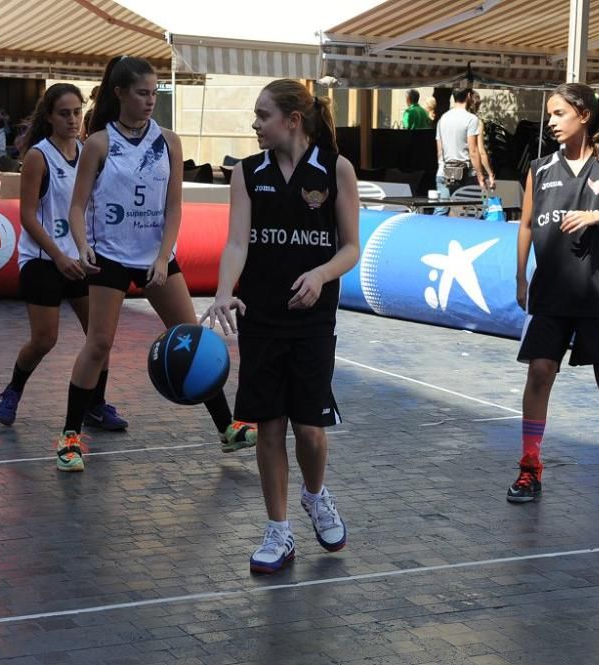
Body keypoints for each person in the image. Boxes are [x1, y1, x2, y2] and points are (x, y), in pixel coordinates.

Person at [55, 56, 256, 473]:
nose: (150, 101)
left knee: (195, 340)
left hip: (155, 258)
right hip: (108, 255)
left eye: (154, 93)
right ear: (120, 94)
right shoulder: (99, 143)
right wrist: (81, 245)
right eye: (142, 93)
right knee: (100, 343)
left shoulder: (169, 141)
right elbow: (77, 207)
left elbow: (174, 207)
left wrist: (164, 257)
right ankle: (70, 436)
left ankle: (228, 428)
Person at [201, 78, 360, 574]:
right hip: (262, 316)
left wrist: (320, 273)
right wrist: (225, 290)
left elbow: (351, 247)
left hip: (313, 318)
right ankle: (279, 532)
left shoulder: (336, 169)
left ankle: (316, 495)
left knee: (309, 430)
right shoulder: (248, 173)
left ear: (293, 119)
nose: (254, 124)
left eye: (262, 114)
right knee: (269, 427)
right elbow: (236, 244)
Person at [510, 82, 599, 504]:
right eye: (549, 114)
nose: (550, 122)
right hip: (550, 288)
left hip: (597, 287)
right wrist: (520, 276)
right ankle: (530, 466)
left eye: (558, 114)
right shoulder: (540, 169)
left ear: (583, 116)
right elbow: (527, 224)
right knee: (539, 371)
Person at [0, 83, 128, 433]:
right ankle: (14, 390)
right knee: (44, 339)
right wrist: (58, 256)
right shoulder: (39, 156)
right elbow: (27, 216)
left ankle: (95, 405)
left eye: (76, 113)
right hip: (42, 258)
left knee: (100, 337)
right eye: (64, 113)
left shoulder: (89, 152)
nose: (72, 120)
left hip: (80, 257)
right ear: (49, 118)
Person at [434, 88, 486, 214]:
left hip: (444, 172)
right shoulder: (471, 119)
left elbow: (439, 151)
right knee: (469, 212)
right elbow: (473, 151)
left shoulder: (443, 119)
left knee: (441, 210)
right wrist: (480, 176)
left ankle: (434, 232)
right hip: (465, 174)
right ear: (468, 96)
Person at [465, 89, 496, 191]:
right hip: (473, 172)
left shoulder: (453, 120)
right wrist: (490, 173)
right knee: (477, 203)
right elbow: (481, 151)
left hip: (455, 172)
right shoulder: (477, 122)